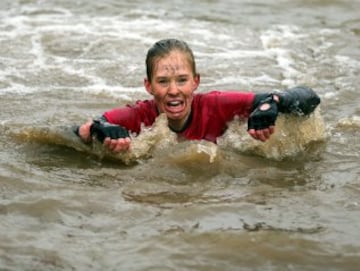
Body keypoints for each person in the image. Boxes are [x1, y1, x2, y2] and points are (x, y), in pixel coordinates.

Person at [76, 38, 320, 153]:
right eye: (163, 82)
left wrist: (272, 103)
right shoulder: (138, 116)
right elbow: (80, 130)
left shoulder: (217, 105)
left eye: (182, 80)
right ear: (149, 87)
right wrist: (100, 128)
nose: (173, 90)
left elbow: (309, 98)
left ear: (196, 82)